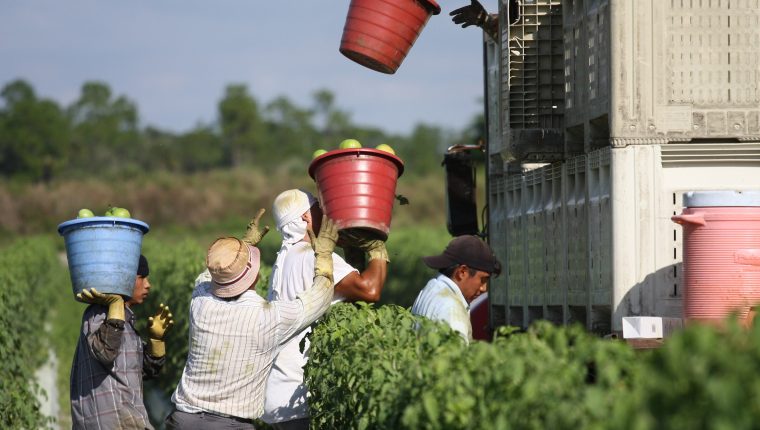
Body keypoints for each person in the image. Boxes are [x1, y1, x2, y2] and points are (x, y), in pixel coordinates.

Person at [165, 212, 340, 429]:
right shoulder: (268, 317)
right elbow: (320, 298)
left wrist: (241, 248)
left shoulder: (200, 301)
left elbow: (212, 274)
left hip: (183, 420)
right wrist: (324, 255)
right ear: (255, 276)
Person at [261, 189, 389, 430]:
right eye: (319, 208)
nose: (327, 214)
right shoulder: (310, 257)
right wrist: (376, 248)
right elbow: (370, 290)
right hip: (296, 396)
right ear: (305, 218)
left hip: (279, 392)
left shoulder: (286, 256)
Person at [70, 254, 174, 430]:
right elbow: (105, 352)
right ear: (122, 279)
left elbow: (139, 372)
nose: (148, 284)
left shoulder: (124, 321)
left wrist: (156, 340)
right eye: (142, 277)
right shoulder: (99, 314)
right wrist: (116, 302)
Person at [411, 235, 501, 342]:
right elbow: (455, 357)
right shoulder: (452, 310)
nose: (483, 288)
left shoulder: (430, 288)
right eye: (483, 280)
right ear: (462, 272)